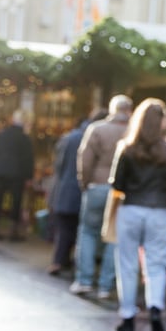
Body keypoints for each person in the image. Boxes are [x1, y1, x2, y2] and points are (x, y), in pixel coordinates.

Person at [109, 98, 166, 331]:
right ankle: (155, 309)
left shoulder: (126, 148)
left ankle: (128, 317)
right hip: (161, 210)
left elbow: (117, 184)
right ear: (162, 122)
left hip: (131, 209)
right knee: (156, 265)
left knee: (128, 264)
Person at [72, 94, 132, 299]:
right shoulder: (133, 131)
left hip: (96, 185)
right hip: (121, 190)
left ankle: (84, 280)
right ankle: (106, 286)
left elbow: (85, 160)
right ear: (129, 110)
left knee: (88, 232)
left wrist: (85, 183)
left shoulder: (97, 129)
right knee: (113, 237)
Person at [47, 110, 106, 275]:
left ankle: (60, 261)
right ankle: (78, 267)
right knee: (85, 231)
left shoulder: (69, 138)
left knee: (66, 228)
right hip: (86, 189)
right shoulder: (96, 138)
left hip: (65, 189)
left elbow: (58, 165)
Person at [0, 109, 35, 241]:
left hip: (0, 171)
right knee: (16, 202)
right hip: (17, 173)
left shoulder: (2, 135)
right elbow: (28, 159)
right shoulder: (25, 138)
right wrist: (29, 177)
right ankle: (13, 231)